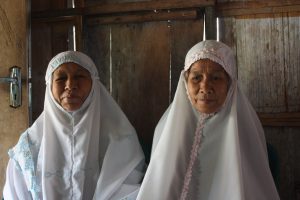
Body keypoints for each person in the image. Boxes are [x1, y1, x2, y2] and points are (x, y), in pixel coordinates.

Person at [137, 40, 280, 200]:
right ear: (185, 81)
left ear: (230, 83)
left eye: (216, 78)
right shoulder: (166, 130)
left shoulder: (246, 135)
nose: (205, 86)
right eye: (197, 77)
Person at [3, 51, 145, 200]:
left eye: (79, 76)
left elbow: (131, 191)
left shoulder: (121, 140)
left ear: (94, 83)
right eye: (61, 78)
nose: (70, 85)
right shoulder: (28, 148)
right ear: (49, 86)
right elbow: (15, 194)